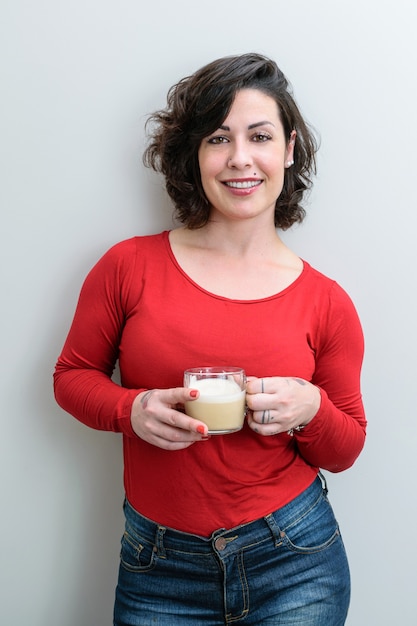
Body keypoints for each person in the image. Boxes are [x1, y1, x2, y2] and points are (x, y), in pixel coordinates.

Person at [53, 52, 366, 625]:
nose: (240, 158)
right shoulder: (128, 266)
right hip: (158, 568)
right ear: (194, 154)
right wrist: (133, 409)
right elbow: (70, 379)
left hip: (296, 560)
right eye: (219, 138)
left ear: (289, 150)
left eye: (259, 136)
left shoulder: (328, 302)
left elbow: (344, 448)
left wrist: (311, 407)